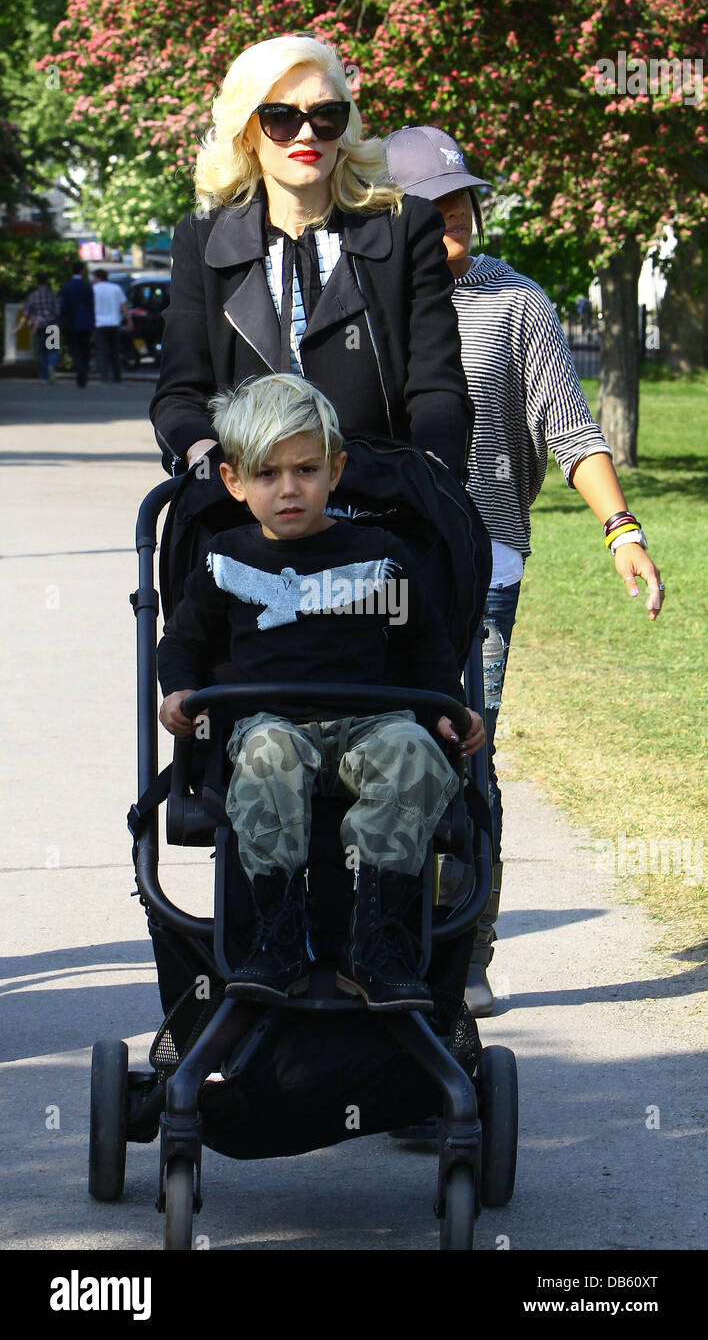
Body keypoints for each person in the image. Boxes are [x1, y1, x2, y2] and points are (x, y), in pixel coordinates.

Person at [385, 124, 665, 1014]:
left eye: (463, 197)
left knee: (465, 750)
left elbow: (570, 427)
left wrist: (620, 526)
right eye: (433, 205)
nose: (454, 215)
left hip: (482, 566)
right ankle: (372, 940)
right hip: (372, 564)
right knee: (371, 750)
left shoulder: (516, 304)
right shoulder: (367, 296)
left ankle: (466, 949)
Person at [157, 373, 484, 1010]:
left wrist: (447, 708)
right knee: (266, 755)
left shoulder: (382, 552)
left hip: (372, 720)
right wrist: (179, 691)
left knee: (412, 753)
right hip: (269, 722)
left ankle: (377, 935)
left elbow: (426, 646)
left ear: (336, 471)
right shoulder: (224, 558)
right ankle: (277, 933)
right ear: (233, 482)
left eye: (306, 470)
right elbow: (185, 641)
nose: (288, 489)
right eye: (267, 475)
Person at [149, 34, 473, 484]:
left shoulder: (406, 227)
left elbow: (437, 388)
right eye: (280, 117)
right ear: (247, 134)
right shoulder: (200, 240)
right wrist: (215, 472)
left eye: (326, 115)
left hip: (384, 505)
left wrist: (429, 481)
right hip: (246, 514)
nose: (306, 133)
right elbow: (180, 396)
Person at [14, 274, 60, 382]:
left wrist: (18, 328)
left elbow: (25, 314)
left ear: (37, 283)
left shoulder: (32, 296)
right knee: (53, 349)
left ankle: (44, 377)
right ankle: (52, 366)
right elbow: (58, 311)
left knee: (43, 352)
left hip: (38, 325)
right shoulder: (53, 294)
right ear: (47, 281)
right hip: (52, 324)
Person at [91, 269, 133, 381]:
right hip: (114, 323)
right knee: (115, 351)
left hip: (99, 324)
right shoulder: (116, 288)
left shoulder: (93, 289)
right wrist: (129, 321)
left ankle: (104, 375)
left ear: (98, 277)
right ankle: (117, 375)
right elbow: (124, 306)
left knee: (102, 351)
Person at [59, 260, 95, 387]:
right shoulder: (87, 286)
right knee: (85, 350)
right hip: (86, 322)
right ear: (82, 271)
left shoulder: (67, 286)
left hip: (71, 323)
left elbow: (64, 307)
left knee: (75, 351)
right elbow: (91, 306)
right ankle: (84, 372)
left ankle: (80, 373)